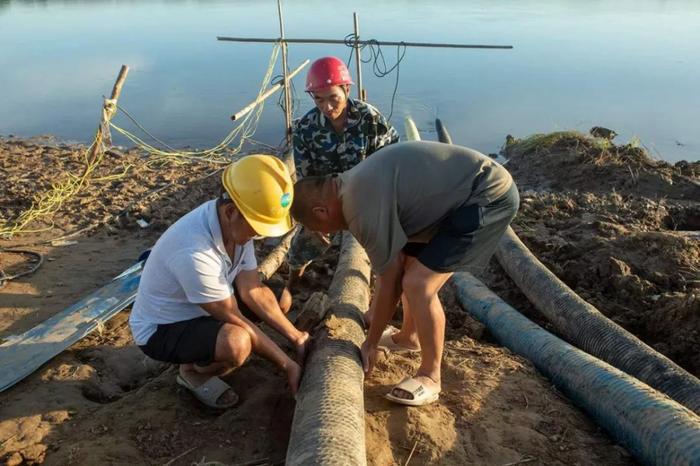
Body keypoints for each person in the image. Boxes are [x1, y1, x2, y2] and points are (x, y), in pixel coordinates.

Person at [290, 141, 519, 406]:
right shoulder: (350, 186)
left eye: (317, 226)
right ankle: (409, 338)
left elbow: (390, 282)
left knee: (419, 284)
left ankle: (431, 376)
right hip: (452, 199)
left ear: (321, 210)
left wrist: (371, 342)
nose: (325, 234)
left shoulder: (359, 206)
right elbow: (394, 262)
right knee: (409, 265)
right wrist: (375, 314)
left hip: (486, 196)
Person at [129, 155, 309, 409]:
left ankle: (203, 351)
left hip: (201, 305)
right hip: (162, 328)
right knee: (237, 344)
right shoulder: (195, 252)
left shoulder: (235, 226)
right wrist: (287, 364)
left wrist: (296, 337)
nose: (259, 235)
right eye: (257, 227)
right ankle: (191, 372)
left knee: (280, 299)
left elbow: (251, 289)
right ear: (230, 211)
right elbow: (237, 319)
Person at [278, 56, 399, 313]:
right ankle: (291, 284)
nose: (327, 106)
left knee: (385, 250)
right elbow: (306, 180)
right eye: (319, 99)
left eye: (333, 97)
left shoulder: (369, 119)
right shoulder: (306, 129)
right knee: (303, 243)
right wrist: (313, 217)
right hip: (328, 199)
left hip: (367, 196)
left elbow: (392, 157)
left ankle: (381, 297)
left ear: (346, 90)